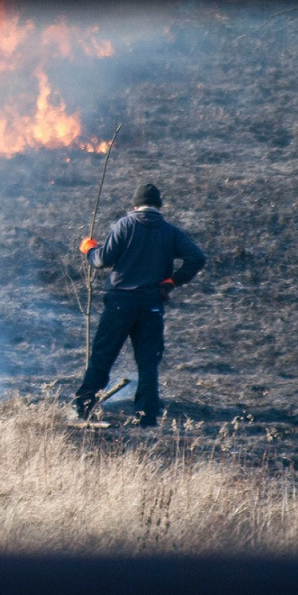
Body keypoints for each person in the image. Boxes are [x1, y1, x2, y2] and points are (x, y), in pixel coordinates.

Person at [73, 183, 205, 427]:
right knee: (148, 363)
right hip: (151, 306)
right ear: (158, 206)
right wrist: (172, 281)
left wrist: (89, 250)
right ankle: (146, 418)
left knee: (102, 357)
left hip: (120, 303)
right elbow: (198, 257)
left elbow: (102, 260)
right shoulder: (170, 231)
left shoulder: (125, 225)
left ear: (135, 205)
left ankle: (83, 409)